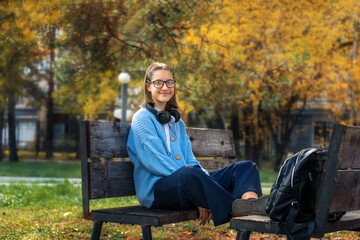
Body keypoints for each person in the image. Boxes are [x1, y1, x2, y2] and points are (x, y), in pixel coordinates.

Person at [126, 62, 267, 226]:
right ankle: (233, 207)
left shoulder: (176, 123)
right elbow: (155, 162)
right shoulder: (142, 119)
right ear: (148, 86)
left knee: (245, 167)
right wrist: (198, 193)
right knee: (189, 173)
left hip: (186, 182)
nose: (165, 87)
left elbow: (190, 159)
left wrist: (203, 183)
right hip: (157, 192)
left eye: (169, 82)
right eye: (158, 82)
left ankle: (249, 206)